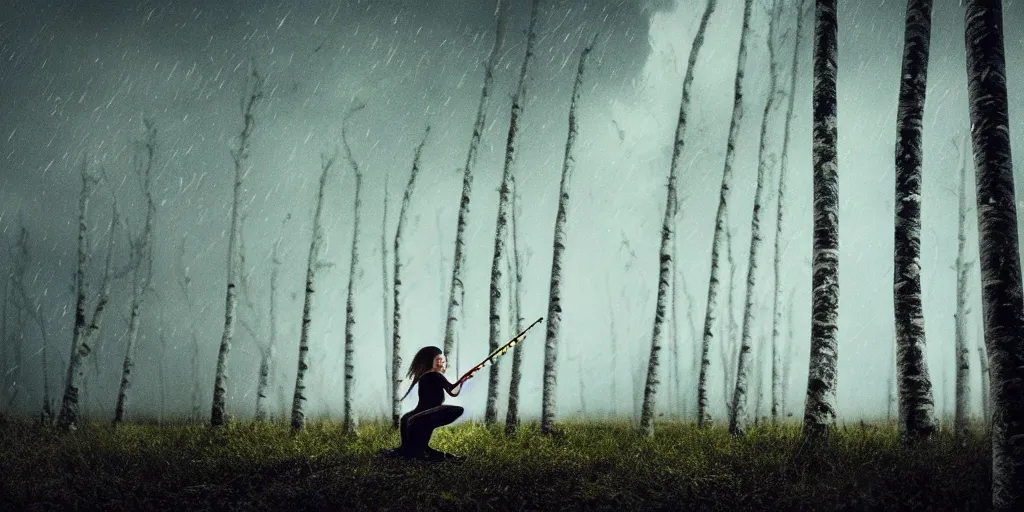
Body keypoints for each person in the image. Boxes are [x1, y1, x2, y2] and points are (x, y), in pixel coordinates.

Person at [388, 346, 471, 462]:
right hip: (428, 413)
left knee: (418, 448)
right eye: (438, 360)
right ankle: (446, 458)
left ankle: (412, 453)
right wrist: (463, 380)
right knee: (419, 451)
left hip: (421, 414)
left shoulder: (424, 376)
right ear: (429, 361)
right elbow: (452, 391)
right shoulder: (435, 375)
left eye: (443, 360)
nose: (442, 363)